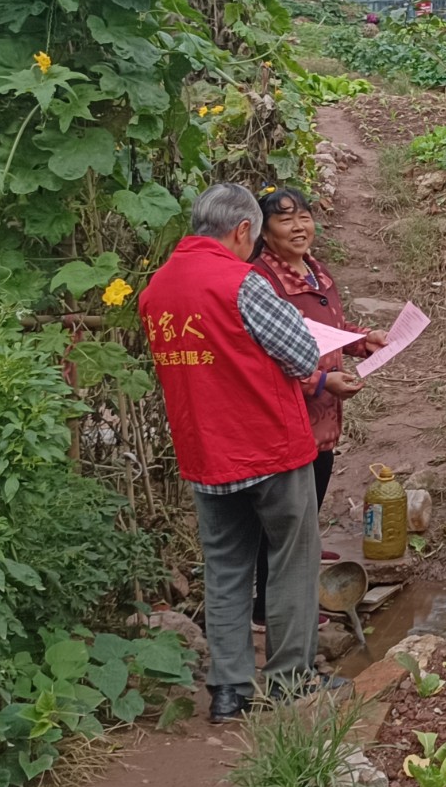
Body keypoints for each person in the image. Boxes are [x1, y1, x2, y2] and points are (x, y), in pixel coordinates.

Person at [139, 183, 331, 723]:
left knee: (225, 569)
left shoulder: (156, 290)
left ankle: (228, 691)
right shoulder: (241, 283)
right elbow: (300, 355)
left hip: (206, 453)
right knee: (292, 559)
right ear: (244, 230)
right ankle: (291, 679)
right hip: (268, 446)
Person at [248, 186, 386, 628]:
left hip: (323, 416)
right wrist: (321, 379)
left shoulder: (315, 272)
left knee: (311, 495)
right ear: (262, 231)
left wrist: (364, 340)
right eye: (284, 219)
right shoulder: (261, 282)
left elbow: (331, 327)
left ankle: (301, 568)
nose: (298, 226)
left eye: (303, 216)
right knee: (282, 521)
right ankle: (269, 609)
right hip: (286, 415)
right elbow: (263, 355)